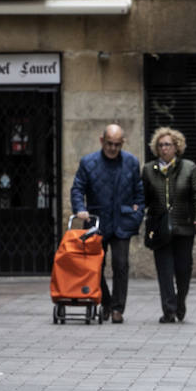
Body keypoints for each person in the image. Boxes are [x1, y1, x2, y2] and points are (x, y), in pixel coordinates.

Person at [71, 124, 143, 323]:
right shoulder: (88, 162)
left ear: (122, 143)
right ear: (102, 141)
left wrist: (137, 215)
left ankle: (118, 309)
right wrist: (80, 209)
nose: (113, 148)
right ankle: (106, 301)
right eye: (110, 144)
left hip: (122, 222)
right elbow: (77, 188)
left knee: (121, 265)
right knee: (95, 266)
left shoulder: (131, 162)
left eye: (117, 145)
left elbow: (139, 192)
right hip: (97, 221)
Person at [142, 127, 196, 323]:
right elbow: (143, 197)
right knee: (164, 270)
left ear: (176, 147)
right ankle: (169, 310)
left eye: (168, 145)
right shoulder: (149, 170)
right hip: (160, 227)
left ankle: (180, 301)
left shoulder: (189, 168)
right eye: (161, 145)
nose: (164, 149)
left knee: (183, 269)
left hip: (184, 226)